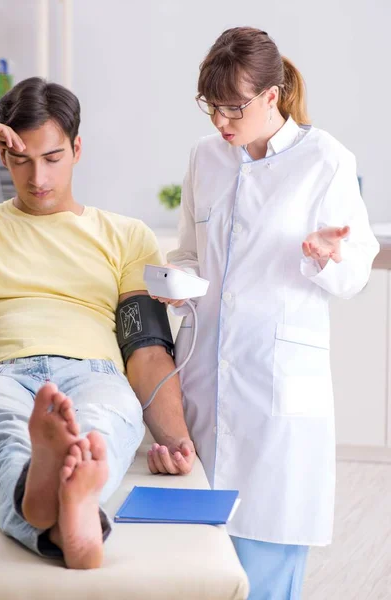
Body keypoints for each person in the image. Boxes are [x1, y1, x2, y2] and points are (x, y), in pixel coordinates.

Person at [0, 77, 196, 570]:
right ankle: (74, 513)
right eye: (22, 159)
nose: (38, 177)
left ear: (77, 149)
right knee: (1, 433)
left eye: (52, 158)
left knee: (100, 426)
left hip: (93, 375)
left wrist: (176, 440)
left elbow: (146, 350)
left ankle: (46, 502)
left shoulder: (125, 235)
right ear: (1, 155)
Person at [154, 27, 379, 599]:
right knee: (195, 557)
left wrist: (329, 257)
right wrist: (178, 282)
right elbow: (188, 248)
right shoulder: (205, 159)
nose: (221, 123)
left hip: (276, 387)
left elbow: (355, 267)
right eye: (212, 107)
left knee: (265, 559)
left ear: (271, 97)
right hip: (202, 372)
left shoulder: (324, 159)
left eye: (233, 107)